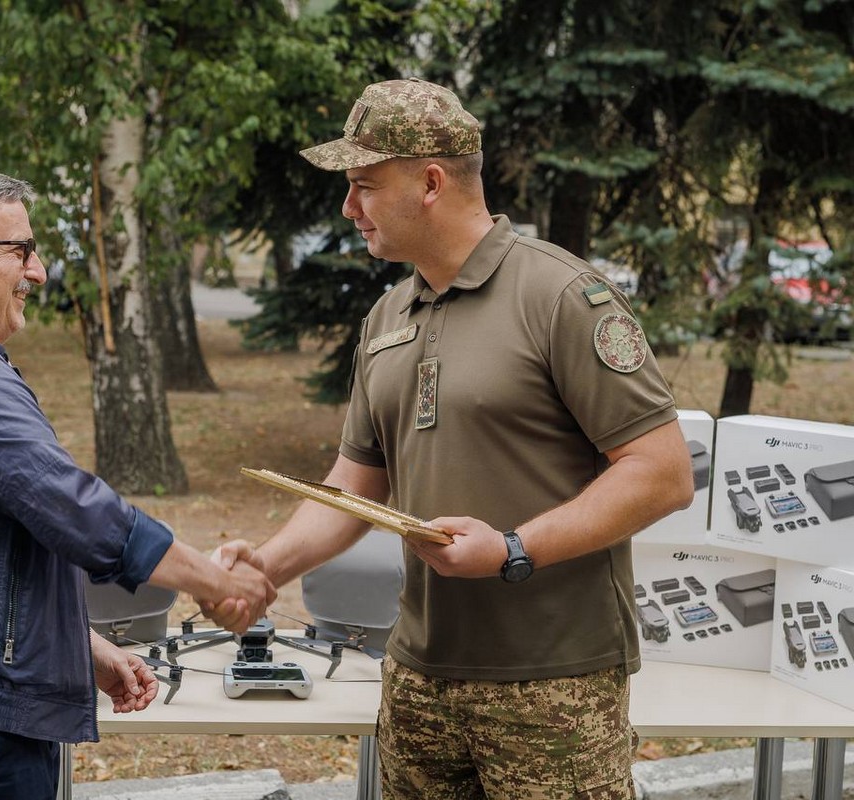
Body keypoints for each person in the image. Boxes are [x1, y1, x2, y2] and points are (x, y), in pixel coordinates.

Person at [210, 78, 695, 799]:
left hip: (552, 685)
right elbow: (354, 487)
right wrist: (264, 569)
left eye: (364, 185)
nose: (348, 209)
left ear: (430, 181)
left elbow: (661, 473)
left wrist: (513, 551)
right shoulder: (387, 317)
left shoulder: (561, 296)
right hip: (417, 677)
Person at [0, 153, 275, 800]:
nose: (38, 272)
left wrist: (81, 650)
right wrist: (217, 583)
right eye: (18, 251)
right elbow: (78, 512)